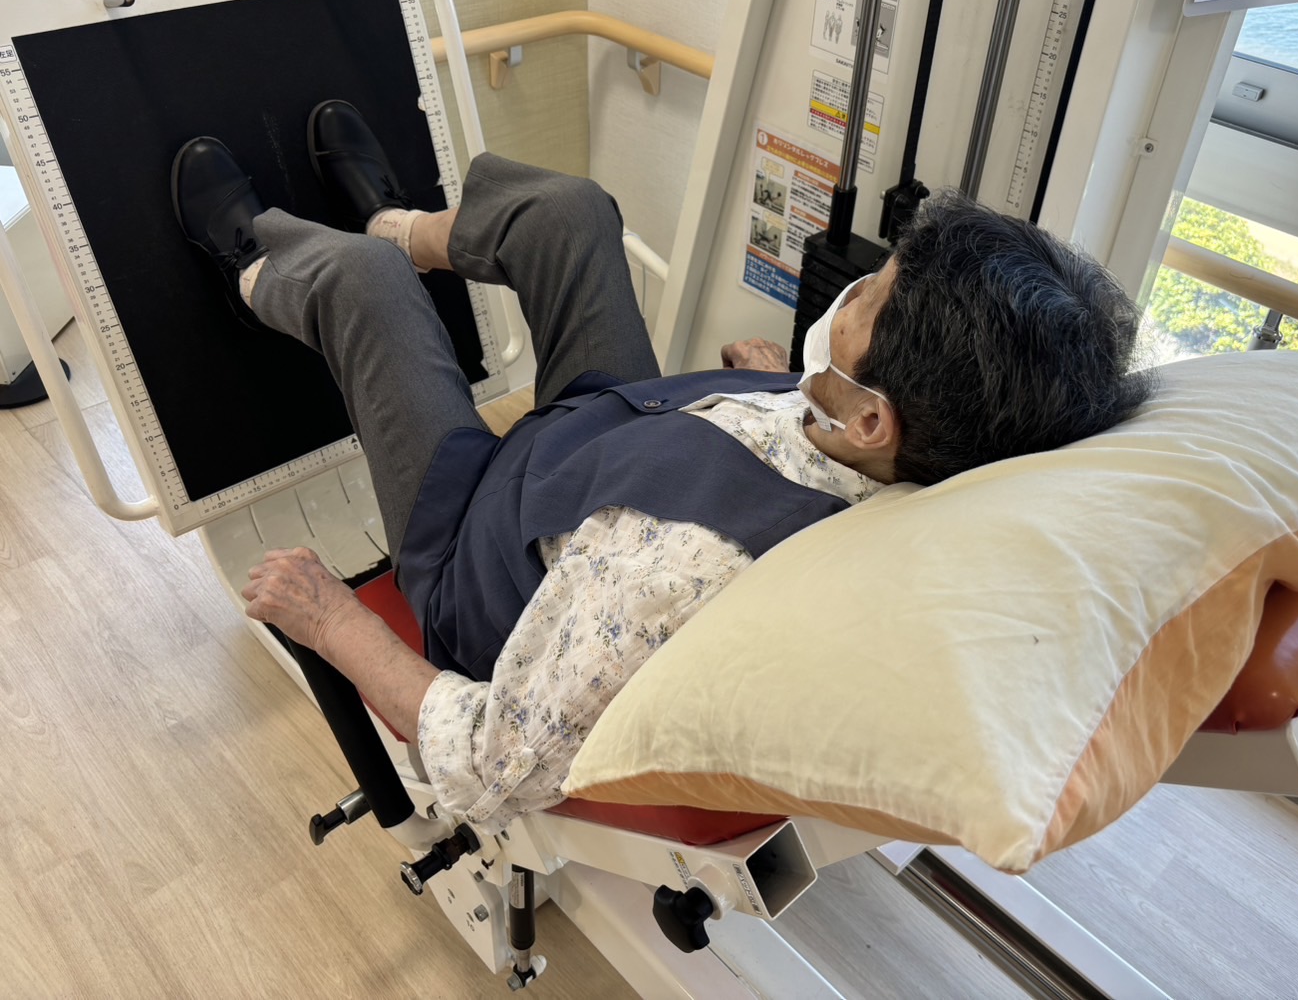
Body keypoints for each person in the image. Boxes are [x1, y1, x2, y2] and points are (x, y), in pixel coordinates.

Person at [171, 101, 1154, 829]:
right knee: (570, 214)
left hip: (476, 549)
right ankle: (397, 223)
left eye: (864, 300)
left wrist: (329, 618)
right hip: (611, 443)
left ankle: (253, 267)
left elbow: (492, 765)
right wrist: (776, 392)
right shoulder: (896, 444)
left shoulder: (670, 567)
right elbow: (825, 440)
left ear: (871, 420)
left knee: (365, 285)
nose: (850, 293)